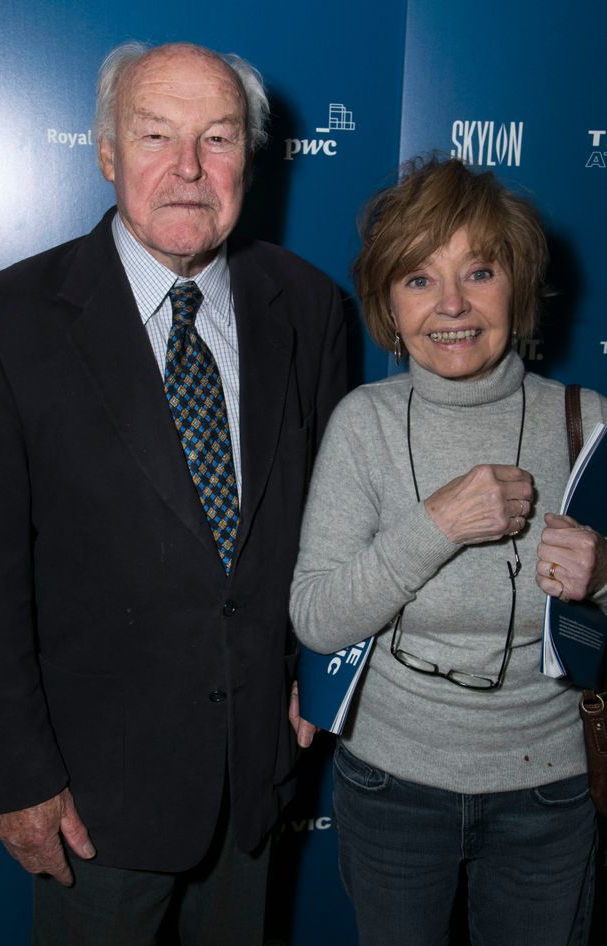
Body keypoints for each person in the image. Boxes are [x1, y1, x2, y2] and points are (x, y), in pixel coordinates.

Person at [0, 41, 346, 946]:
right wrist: (19, 775)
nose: (188, 168)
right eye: (155, 136)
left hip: (258, 776)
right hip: (92, 801)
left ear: (249, 163)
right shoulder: (5, 323)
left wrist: (324, 679)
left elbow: (343, 523)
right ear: (106, 152)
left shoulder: (309, 308)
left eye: (217, 138)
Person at [290, 156, 607, 946]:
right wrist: (436, 525)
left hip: (550, 791)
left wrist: (604, 579)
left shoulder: (586, 419)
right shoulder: (362, 424)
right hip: (391, 787)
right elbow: (316, 617)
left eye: (480, 270)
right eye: (419, 280)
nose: (453, 306)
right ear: (389, 307)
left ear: (519, 289)